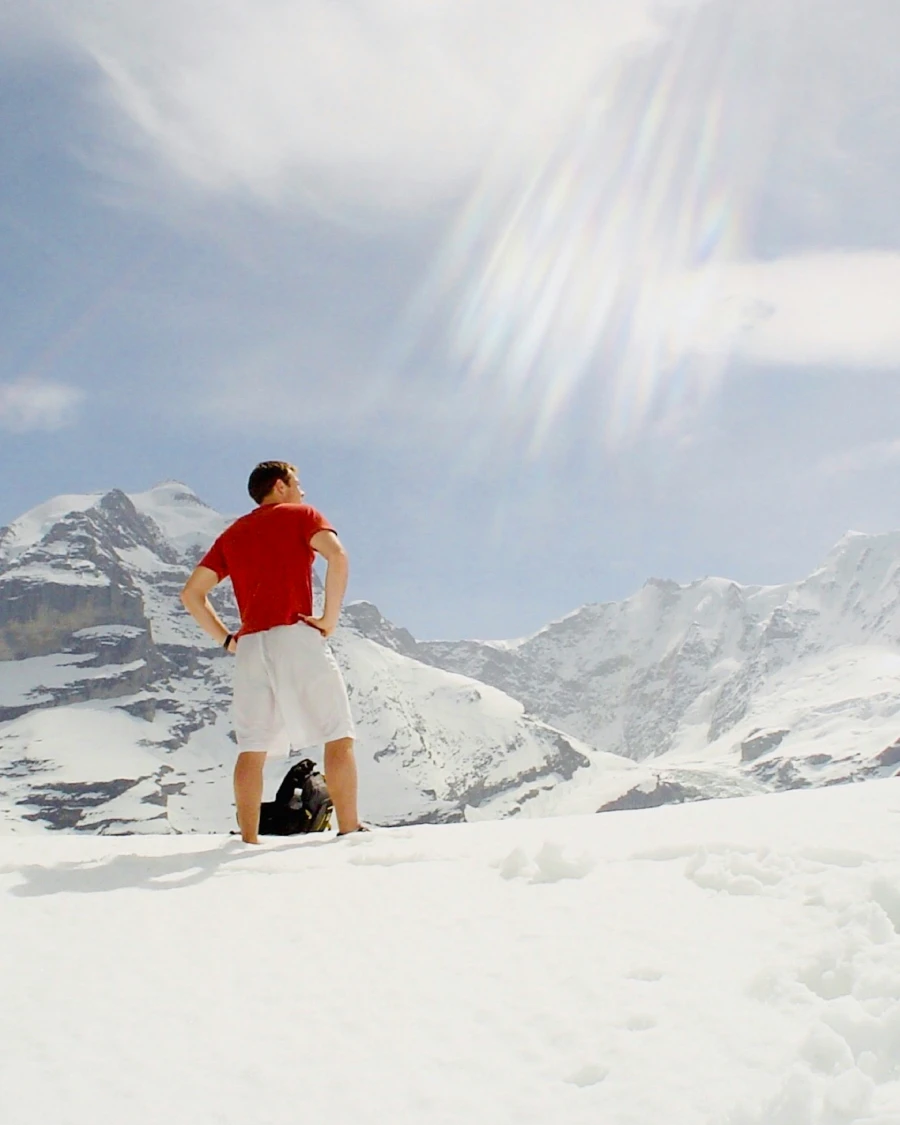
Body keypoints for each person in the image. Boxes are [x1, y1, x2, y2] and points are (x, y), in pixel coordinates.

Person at [180, 460, 362, 843]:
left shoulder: (231, 535)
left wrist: (228, 639)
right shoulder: (301, 515)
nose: (303, 492)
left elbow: (191, 594)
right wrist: (329, 618)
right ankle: (349, 830)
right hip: (295, 635)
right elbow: (339, 556)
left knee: (252, 747)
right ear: (280, 487)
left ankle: (248, 840)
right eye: (298, 484)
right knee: (338, 732)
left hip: (249, 648)